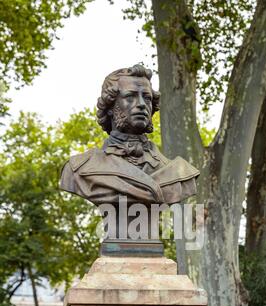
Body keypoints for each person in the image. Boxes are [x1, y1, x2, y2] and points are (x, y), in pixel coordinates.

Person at [60, 64, 200, 205]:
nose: (141, 104)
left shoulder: (178, 172)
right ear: (110, 107)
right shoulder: (79, 168)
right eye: (130, 96)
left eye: (147, 98)